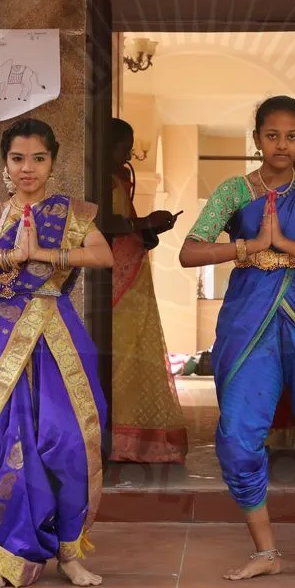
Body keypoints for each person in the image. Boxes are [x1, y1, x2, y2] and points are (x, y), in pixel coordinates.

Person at [179, 96, 295, 582]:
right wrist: (249, 247)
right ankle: (265, 551)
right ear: (257, 137)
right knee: (239, 439)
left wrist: (288, 248)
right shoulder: (232, 192)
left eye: (293, 136)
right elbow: (189, 252)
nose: (282, 144)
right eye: (272, 135)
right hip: (247, 322)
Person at [0, 118, 115, 588]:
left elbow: (103, 256)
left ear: (52, 163)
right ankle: (8, 557)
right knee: (2, 443)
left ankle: (69, 551)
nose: (28, 168)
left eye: (38, 158)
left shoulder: (74, 214)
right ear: (5, 164)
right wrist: (9, 257)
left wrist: (48, 253)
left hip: (58, 336)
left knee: (68, 441)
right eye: (18, 158)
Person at [105, 118, 188, 464]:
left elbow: (127, 224)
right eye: (124, 148)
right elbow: (104, 223)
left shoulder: (117, 179)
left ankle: (133, 440)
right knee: (121, 356)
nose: (128, 157)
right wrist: (145, 222)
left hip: (132, 273)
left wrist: (150, 228)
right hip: (115, 280)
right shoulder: (101, 180)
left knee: (134, 352)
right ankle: (118, 439)